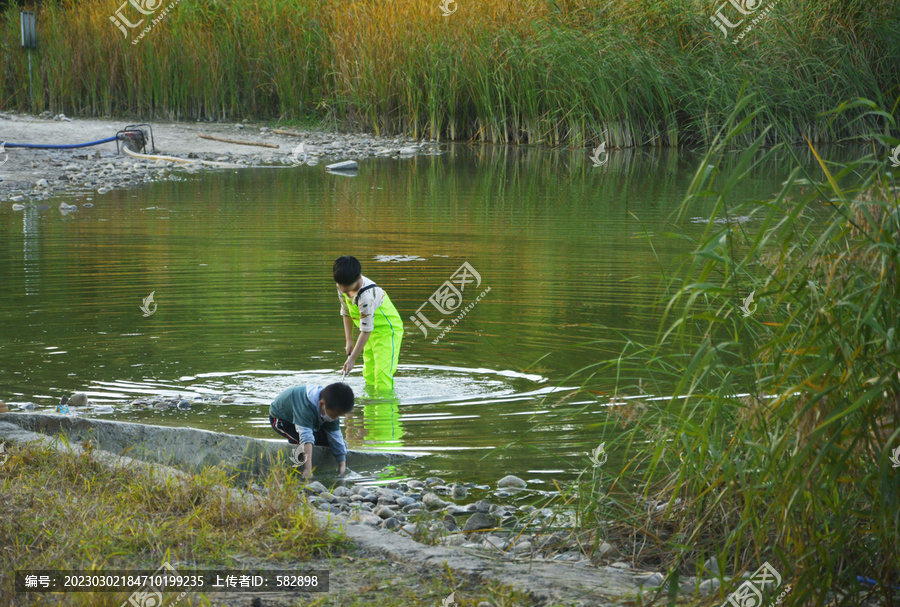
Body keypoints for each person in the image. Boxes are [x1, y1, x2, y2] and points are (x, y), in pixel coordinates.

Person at [333, 255, 404, 393]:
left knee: (382, 375)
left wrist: (352, 359)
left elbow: (366, 330)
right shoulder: (342, 286)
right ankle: (370, 410)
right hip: (368, 332)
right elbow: (346, 312)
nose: (344, 292)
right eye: (341, 287)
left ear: (359, 278)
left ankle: (384, 411)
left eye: (348, 289)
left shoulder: (366, 296)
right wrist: (349, 340)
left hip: (387, 331)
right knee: (369, 373)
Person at [269, 383, 354, 479]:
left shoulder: (332, 408)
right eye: (335, 416)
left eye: (339, 416)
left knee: (334, 444)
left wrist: (342, 466)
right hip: (283, 419)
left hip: (312, 419)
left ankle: (309, 459)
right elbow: (306, 438)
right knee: (306, 443)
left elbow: (335, 436)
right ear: (321, 404)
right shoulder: (305, 406)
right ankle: (297, 468)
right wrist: (308, 470)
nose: (336, 418)